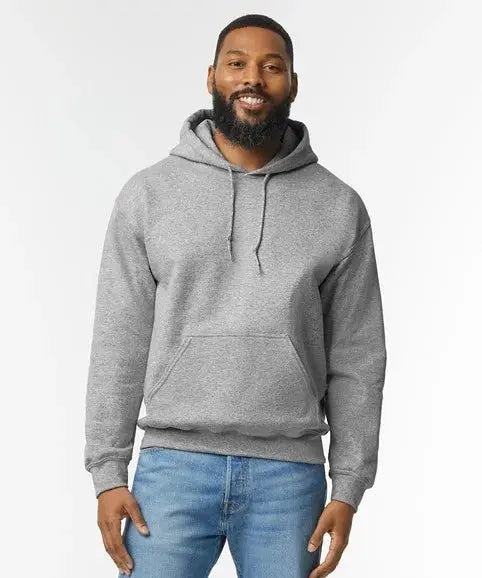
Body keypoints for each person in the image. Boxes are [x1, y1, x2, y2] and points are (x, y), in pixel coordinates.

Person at [84, 13, 387, 578]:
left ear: (292, 83)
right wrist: (108, 472)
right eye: (237, 64)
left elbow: (357, 357)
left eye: (272, 67)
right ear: (212, 77)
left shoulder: (338, 207)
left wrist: (348, 485)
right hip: (172, 468)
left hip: (289, 477)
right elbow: (119, 341)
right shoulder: (149, 195)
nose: (253, 78)